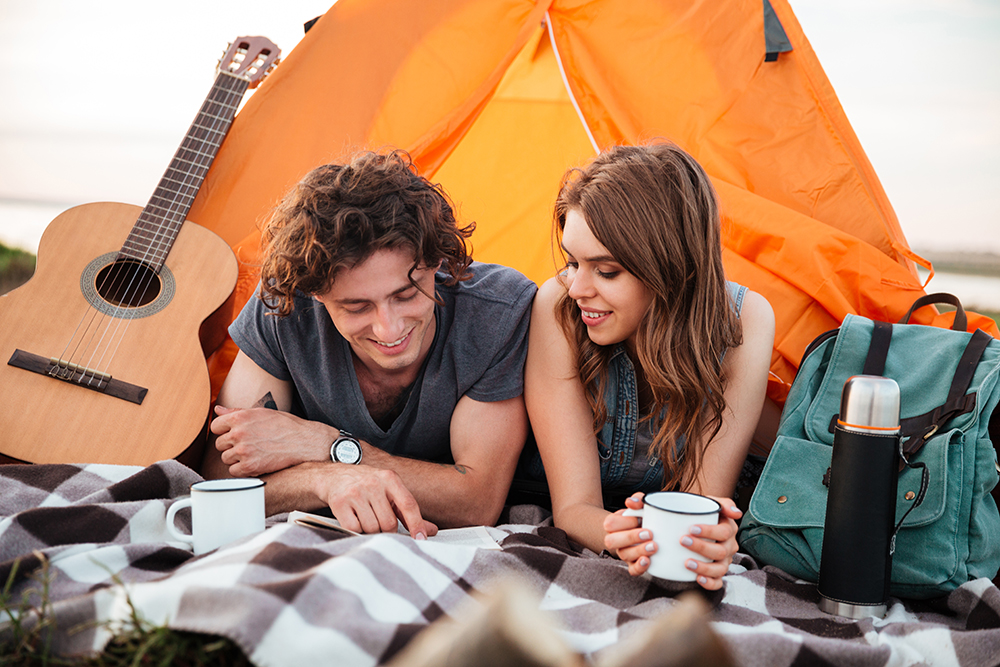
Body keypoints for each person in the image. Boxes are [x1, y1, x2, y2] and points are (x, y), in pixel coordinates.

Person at [202, 149, 537, 539]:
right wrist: (322, 478)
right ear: (316, 295)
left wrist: (324, 442)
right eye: (356, 306)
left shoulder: (496, 312)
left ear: (436, 263)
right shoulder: (285, 306)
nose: (388, 328)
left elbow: (476, 500)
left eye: (406, 295)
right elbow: (220, 476)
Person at [523, 142, 775, 590]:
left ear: (669, 268)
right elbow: (575, 507)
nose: (577, 287)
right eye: (572, 261)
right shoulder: (558, 307)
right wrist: (625, 539)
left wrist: (706, 544)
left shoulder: (745, 322)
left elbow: (699, 502)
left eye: (606, 271)